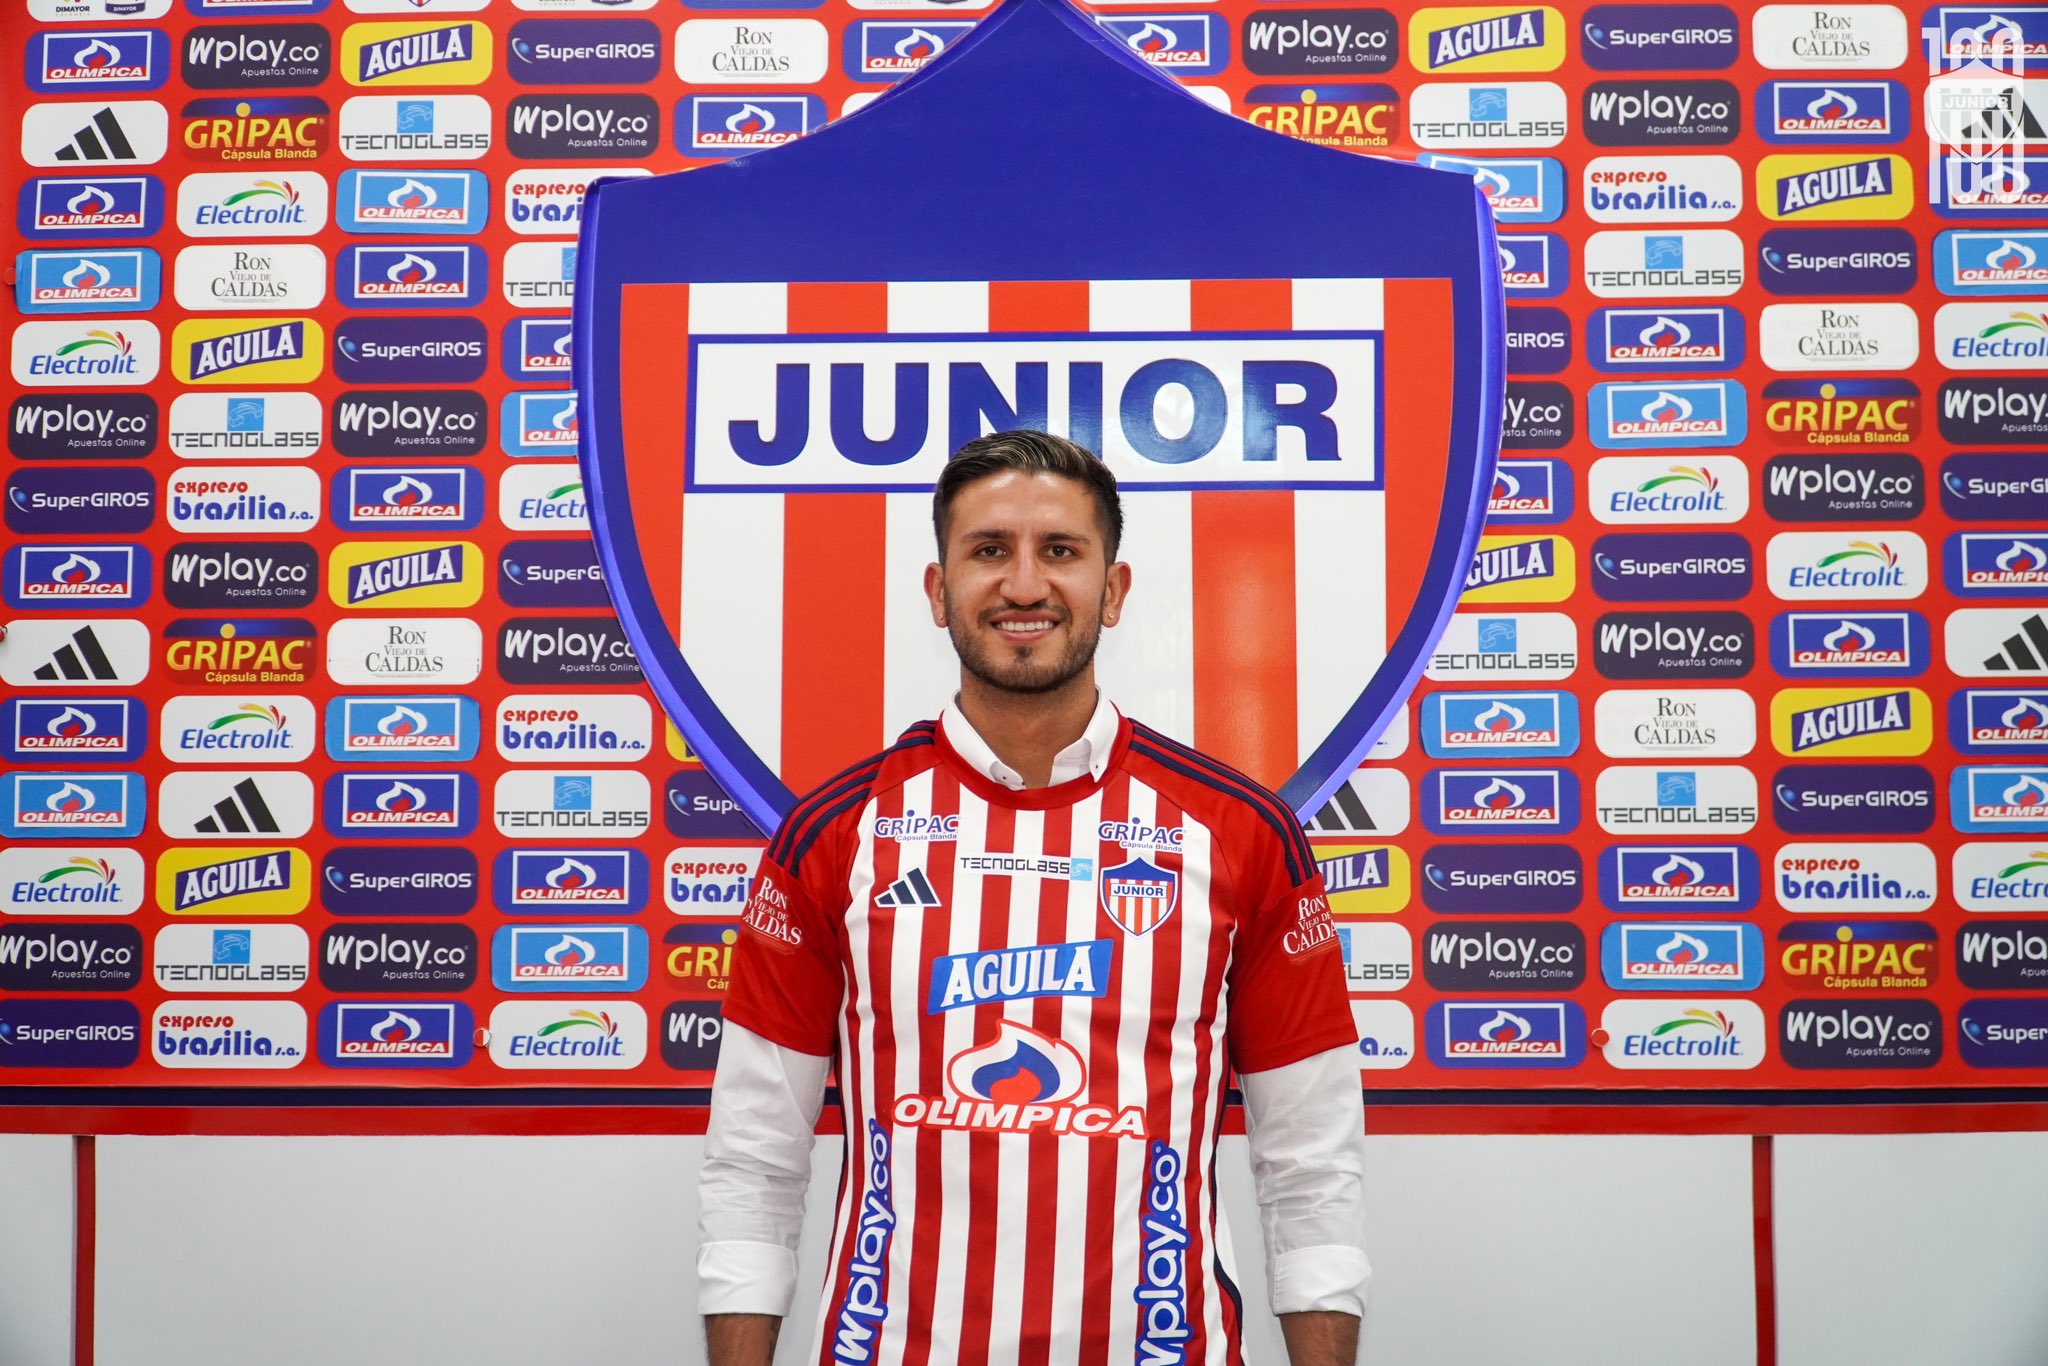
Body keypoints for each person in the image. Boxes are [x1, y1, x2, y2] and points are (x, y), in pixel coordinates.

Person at [696, 429, 1370, 1365]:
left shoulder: (1243, 834)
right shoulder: (834, 835)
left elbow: (1310, 1166)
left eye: (1060, 551)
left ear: (1115, 588)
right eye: (987, 551)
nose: (1022, 586)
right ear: (938, 594)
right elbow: (756, 1158)